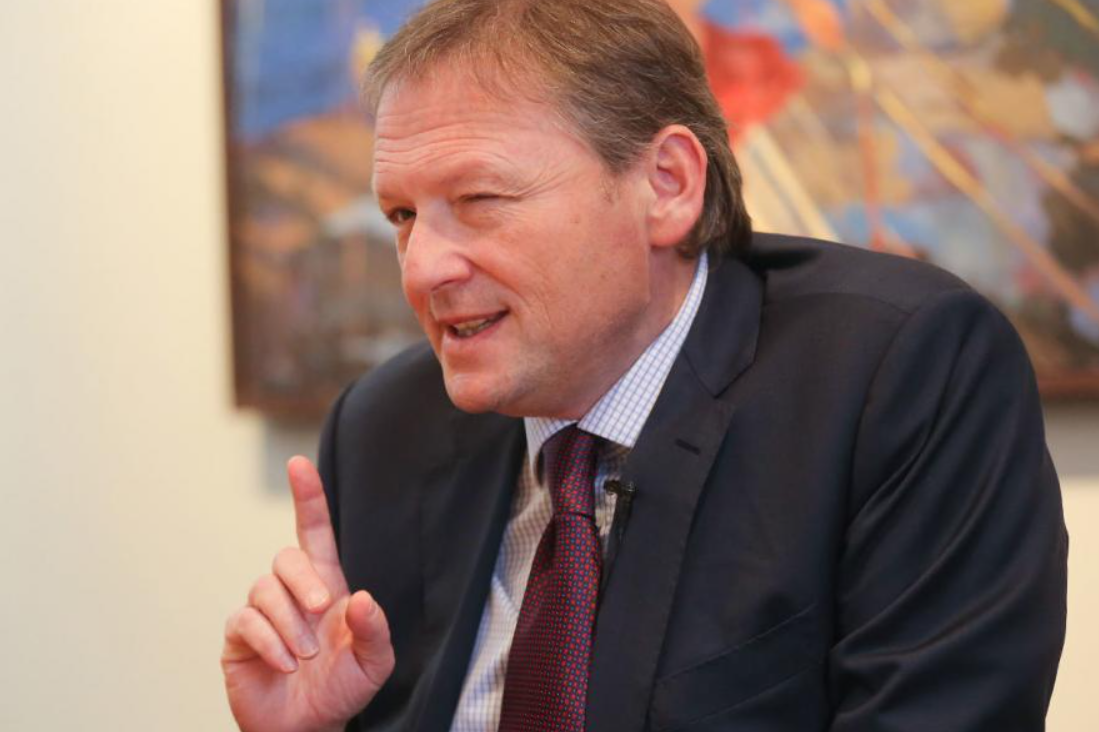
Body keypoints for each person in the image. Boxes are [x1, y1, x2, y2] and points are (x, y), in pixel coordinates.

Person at [221, 0, 1068, 730]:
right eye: (403, 215)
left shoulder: (897, 377)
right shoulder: (383, 432)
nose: (421, 270)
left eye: (479, 200)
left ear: (666, 184)